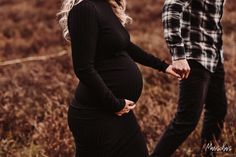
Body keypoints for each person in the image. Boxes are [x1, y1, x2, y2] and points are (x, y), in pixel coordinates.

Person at [58, 0, 179, 156]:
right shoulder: (84, 9)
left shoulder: (104, 6)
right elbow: (83, 68)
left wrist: (164, 66)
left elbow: (126, 46)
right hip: (96, 116)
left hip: (119, 113)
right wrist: (114, 104)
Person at [151, 0, 228, 156]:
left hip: (214, 57)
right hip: (194, 56)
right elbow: (171, 8)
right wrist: (178, 55)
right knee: (187, 119)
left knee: (218, 110)